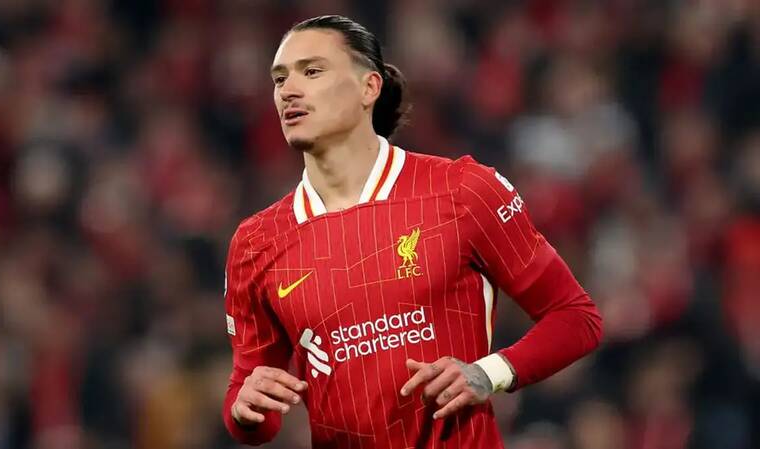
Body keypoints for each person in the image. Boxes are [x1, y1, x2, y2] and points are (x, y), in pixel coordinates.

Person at [223, 15, 602, 449]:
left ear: (369, 87)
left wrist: (488, 373)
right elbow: (254, 409)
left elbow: (576, 317)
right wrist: (245, 409)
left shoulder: (461, 191)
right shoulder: (257, 242)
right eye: (279, 79)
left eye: (311, 71)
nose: (288, 90)